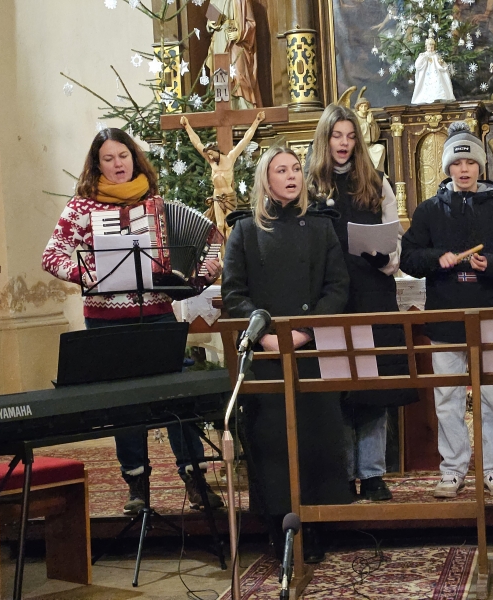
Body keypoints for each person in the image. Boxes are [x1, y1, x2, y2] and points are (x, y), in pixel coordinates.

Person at [41, 128, 223, 515]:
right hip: (105, 322)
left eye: (123, 156)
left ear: (134, 158)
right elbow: (52, 256)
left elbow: (204, 250)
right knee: (123, 403)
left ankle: (195, 477)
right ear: (97, 165)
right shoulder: (82, 208)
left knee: (175, 397)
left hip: (158, 316)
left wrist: (202, 275)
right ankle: (136, 485)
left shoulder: (155, 204)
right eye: (108, 159)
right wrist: (86, 274)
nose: (118, 164)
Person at [221, 145, 354, 562]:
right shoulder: (245, 230)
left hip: (311, 350)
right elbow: (233, 293)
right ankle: (278, 525)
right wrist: (265, 335)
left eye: (296, 168)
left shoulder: (320, 226)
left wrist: (304, 331)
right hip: (265, 355)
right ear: (266, 179)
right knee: (272, 438)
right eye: (281, 170)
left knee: (317, 435)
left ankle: (317, 525)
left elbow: (337, 287)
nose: (292, 175)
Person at [400, 121, 493, 499]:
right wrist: (438, 258)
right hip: (446, 318)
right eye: (457, 162)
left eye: (470, 162)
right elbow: (408, 259)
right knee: (447, 398)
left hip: (490, 317)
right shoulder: (428, 212)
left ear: (480, 167)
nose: (464, 169)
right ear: (448, 167)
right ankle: (453, 470)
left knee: (491, 397)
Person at [306, 104, 418, 503]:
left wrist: (383, 257)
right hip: (330, 299)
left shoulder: (376, 181)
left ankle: (371, 474)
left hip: (372, 293)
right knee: (338, 388)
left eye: (351, 137)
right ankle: (342, 474)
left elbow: (396, 246)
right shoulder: (311, 185)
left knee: (373, 388)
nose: (344, 144)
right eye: (338, 136)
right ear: (325, 138)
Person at [181, 111, 264, 245]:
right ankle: (221, 253)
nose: (210, 157)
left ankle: (230, 251)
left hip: (229, 196)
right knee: (219, 226)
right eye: (209, 155)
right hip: (217, 196)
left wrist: (256, 121)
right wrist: (187, 126)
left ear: (217, 151)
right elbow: (197, 143)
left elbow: (245, 140)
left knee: (228, 226)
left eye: (212, 154)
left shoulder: (230, 158)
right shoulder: (211, 162)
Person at [206, 0, 262, 108]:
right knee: (221, 76)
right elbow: (211, 18)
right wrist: (210, 24)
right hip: (219, 41)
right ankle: (223, 112)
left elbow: (251, 24)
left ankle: (243, 111)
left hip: (236, 43)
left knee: (239, 76)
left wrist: (239, 33)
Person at [411, 35, 455, 105]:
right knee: (425, 86)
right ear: (426, 48)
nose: (431, 49)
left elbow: (441, 64)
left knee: (437, 84)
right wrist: (423, 58)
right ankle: (425, 98)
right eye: (429, 48)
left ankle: (437, 97)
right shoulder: (423, 55)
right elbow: (418, 65)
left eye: (432, 48)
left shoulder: (436, 56)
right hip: (426, 75)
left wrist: (441, 63)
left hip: (436, 74)